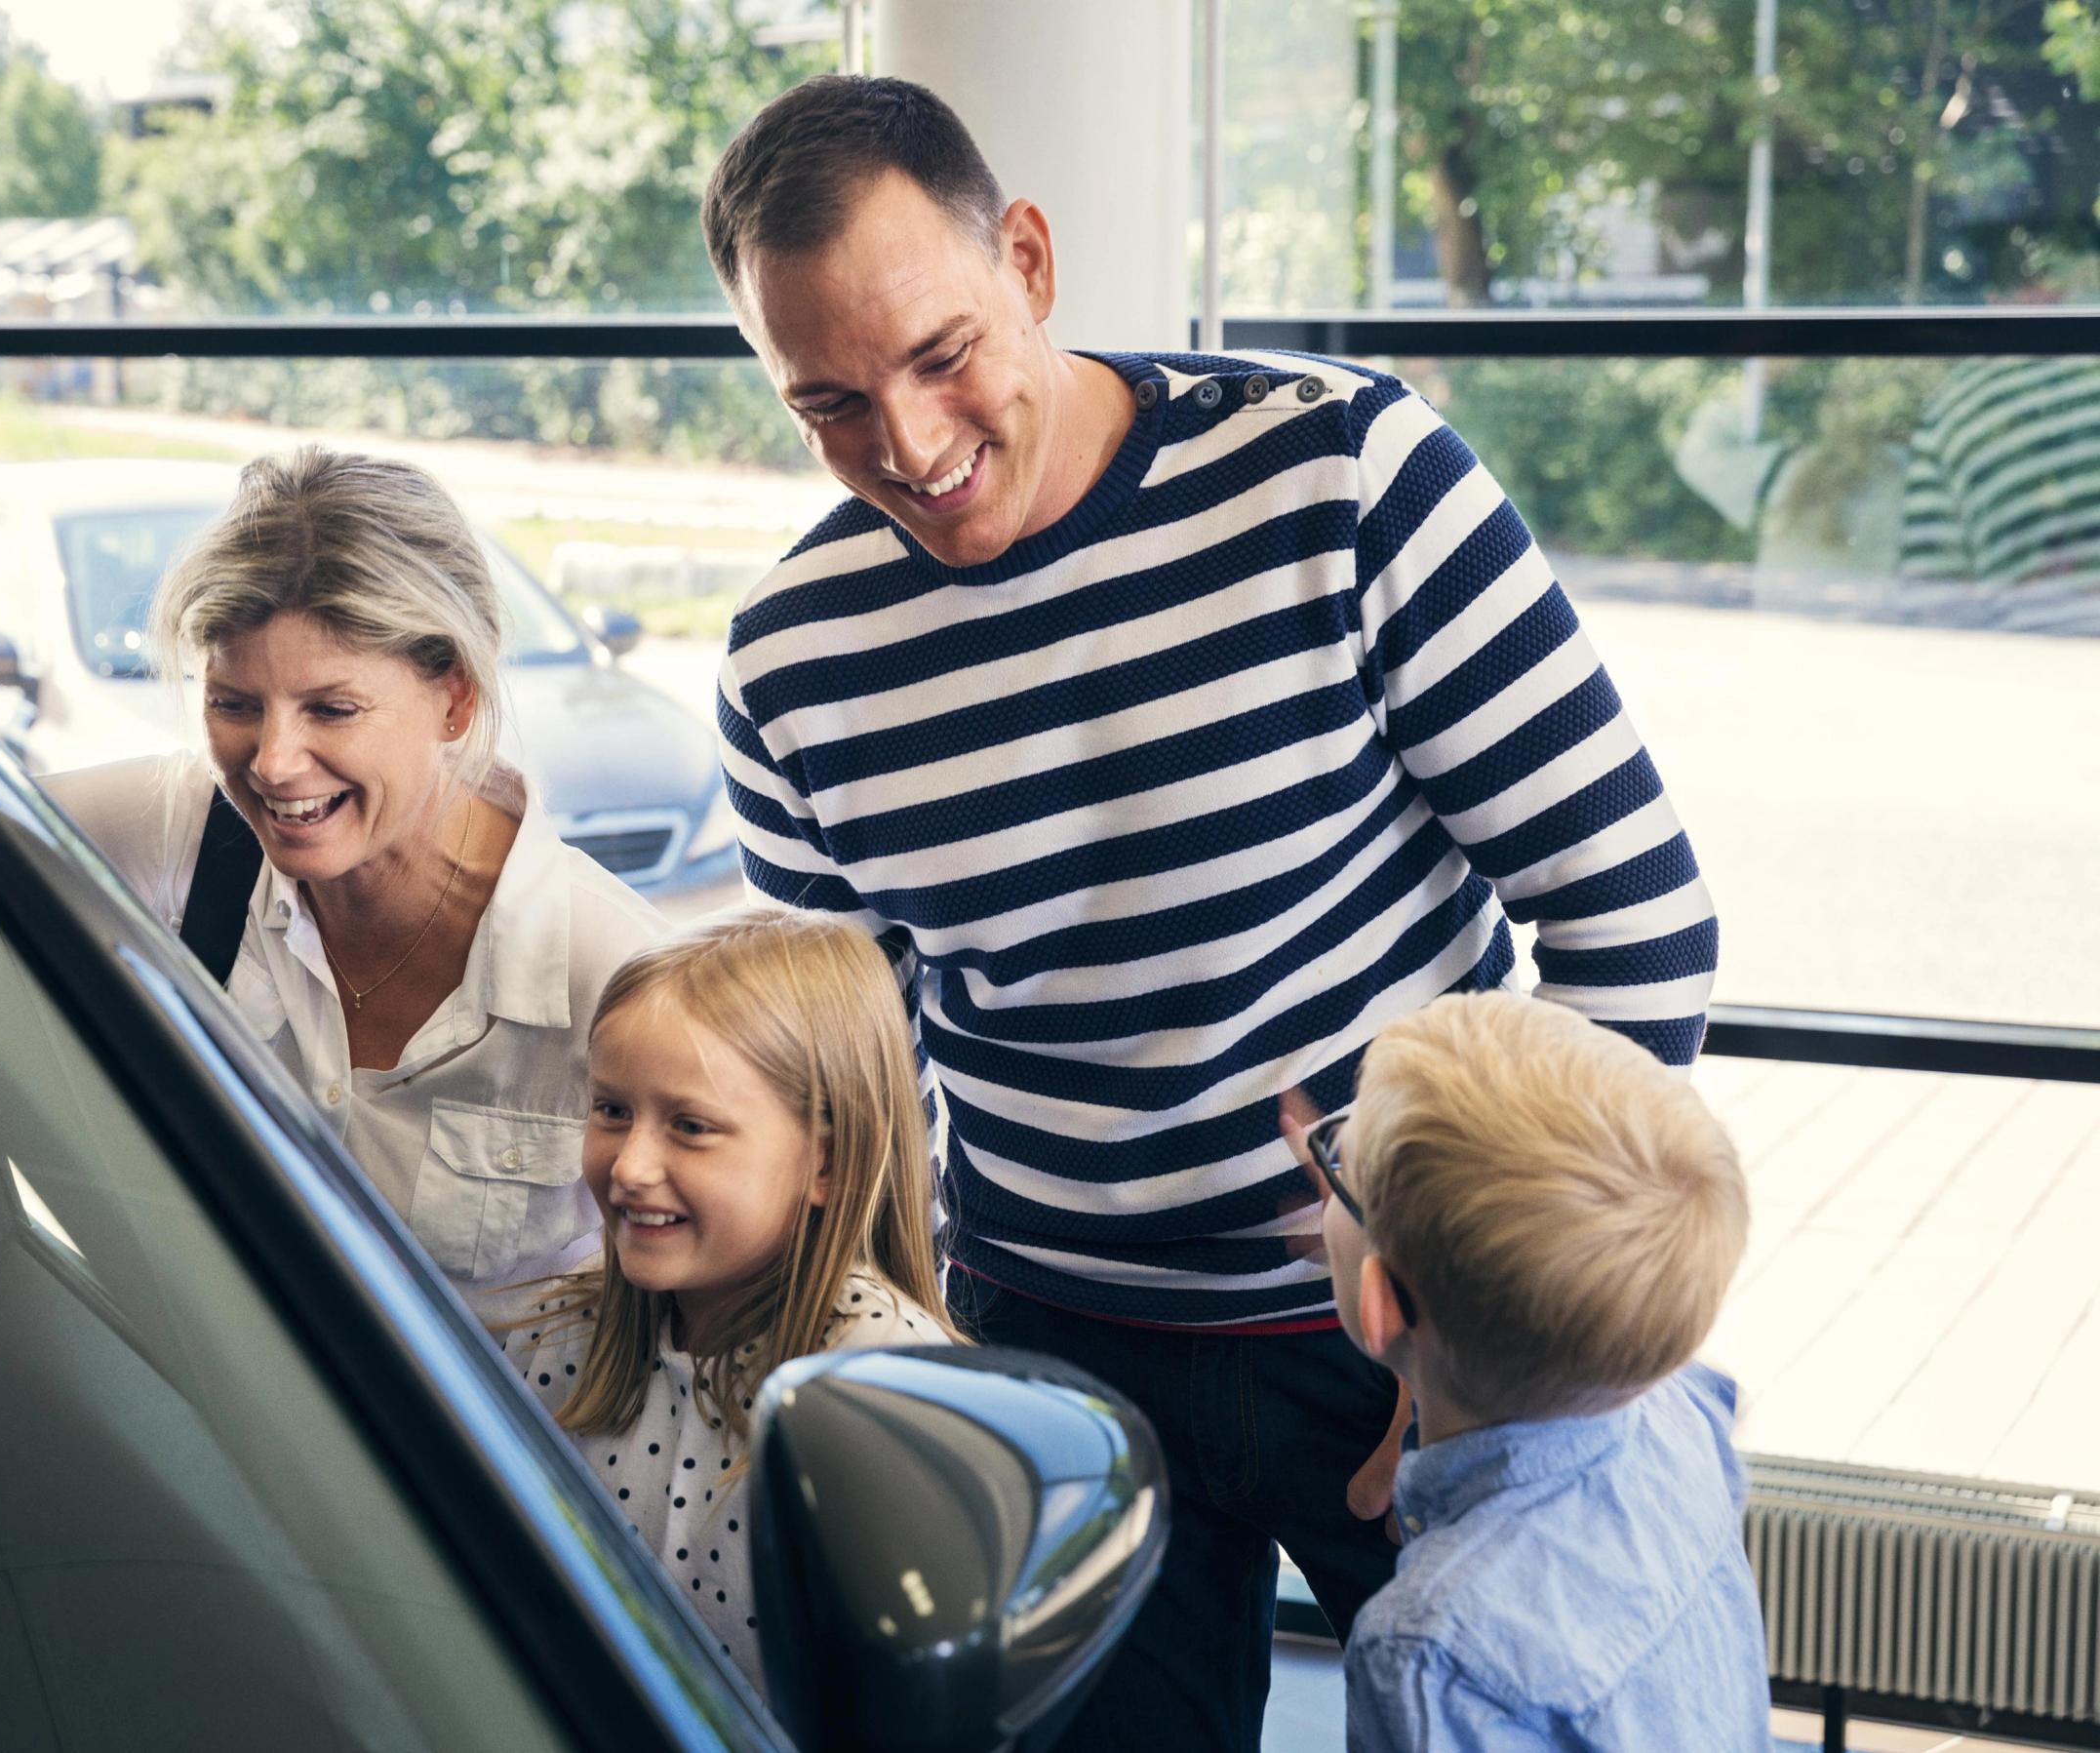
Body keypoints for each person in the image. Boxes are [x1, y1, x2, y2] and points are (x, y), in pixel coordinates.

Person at [698, 75, 1719, 1746]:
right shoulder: (787, 662)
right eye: (829, 403)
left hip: (1412, 1339)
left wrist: (1490, 1332)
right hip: (1051, 1360)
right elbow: (851, 1088)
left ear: (1029, 261)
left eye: (943, 354)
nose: (912, 446)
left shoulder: (1345, 470)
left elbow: (1635, 917)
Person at [0, 441, 663, 1307]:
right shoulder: (190, 833)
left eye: (332, 709)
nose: (272, 763)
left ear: (455, 699)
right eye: (234, 704)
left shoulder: (612, 972)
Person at [1286, 990, 1766, 1752]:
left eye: (1341, 1170)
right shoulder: (1685, 1412)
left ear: (1380, 1305)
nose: (1328, 1171)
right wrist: (1370, 1219)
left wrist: (1372, 1227)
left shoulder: (1428, 1652)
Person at [499, 906, 959, 1693]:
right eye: (612, 1109)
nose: (631, 1166)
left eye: (690, 1125)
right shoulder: (557, 1335)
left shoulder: (891, 1392)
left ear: (826, 1164)